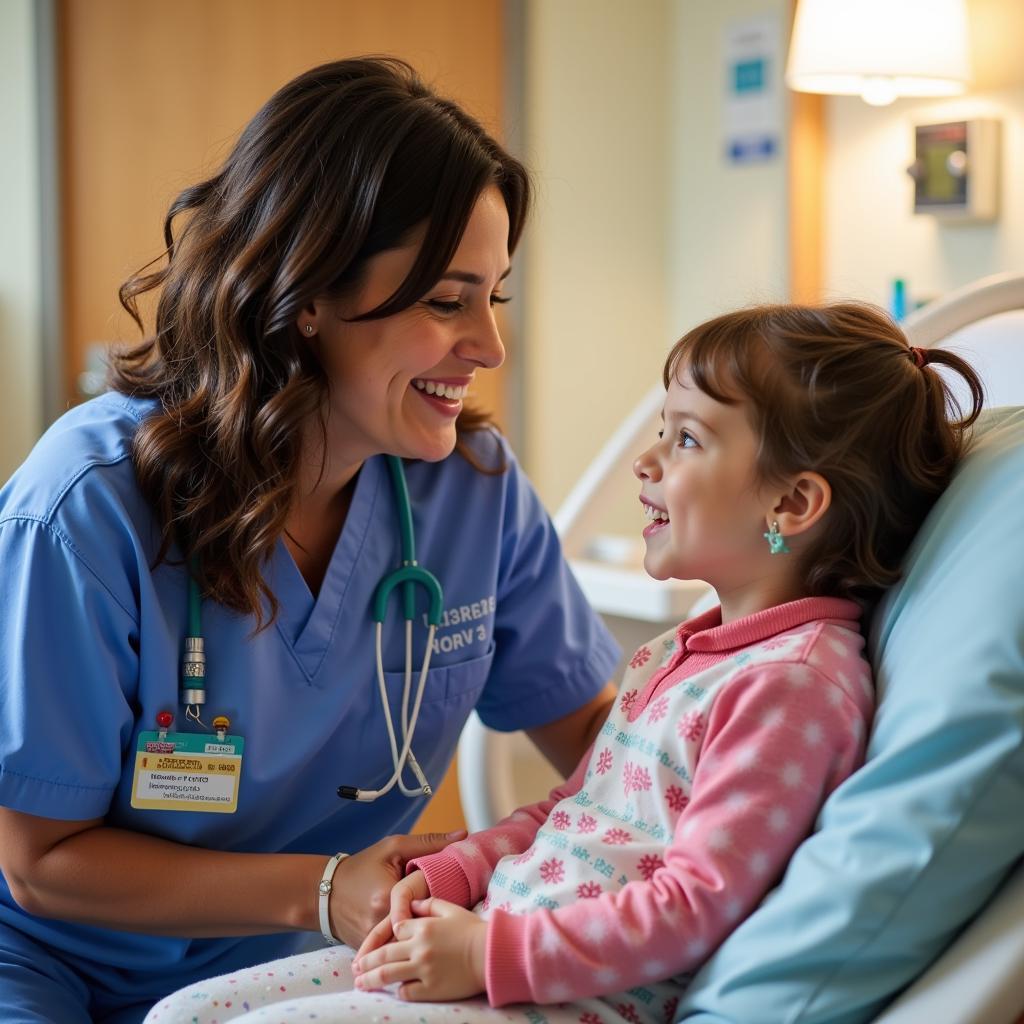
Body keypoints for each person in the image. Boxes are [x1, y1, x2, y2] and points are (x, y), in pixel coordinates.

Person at [142, 301, 984, 1024]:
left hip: (568, 995)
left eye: (686, 439)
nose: (646, 462)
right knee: (182, 1013)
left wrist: (491, 954)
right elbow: (574, 807)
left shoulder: (791, 686)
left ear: (792, 503)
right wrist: (456, 869)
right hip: (495, 940)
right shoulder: (688, 649)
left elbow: (694, 905)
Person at [0, 58, 622, 1023]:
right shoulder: (83, 510)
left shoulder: (472, 496)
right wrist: (324, 889)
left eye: (496, 298)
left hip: (293, 971)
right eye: (447, 301)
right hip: (47, 965)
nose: (491, 348)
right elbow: (39, 862)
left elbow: (606, 742)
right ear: (305, 293)